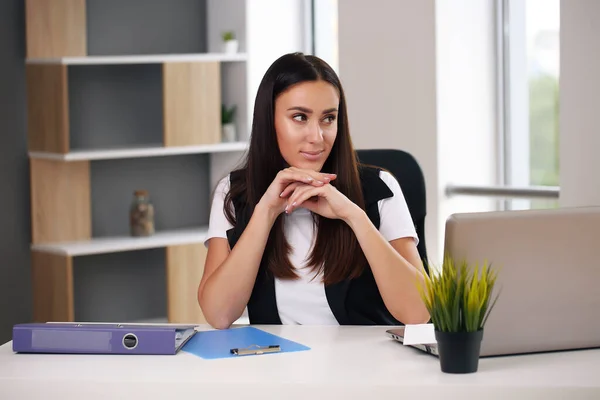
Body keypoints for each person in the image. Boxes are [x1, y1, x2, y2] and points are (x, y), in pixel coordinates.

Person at [198, 52, 429, 329]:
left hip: (367, 364)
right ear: (269, 120)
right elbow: (218, 315)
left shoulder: (380, 188)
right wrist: (265, 213)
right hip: (277, 364)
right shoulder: (234, 193)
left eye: (328, 118)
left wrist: (353, 216)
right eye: (299, 117)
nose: (317, 137)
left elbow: (419, 313)